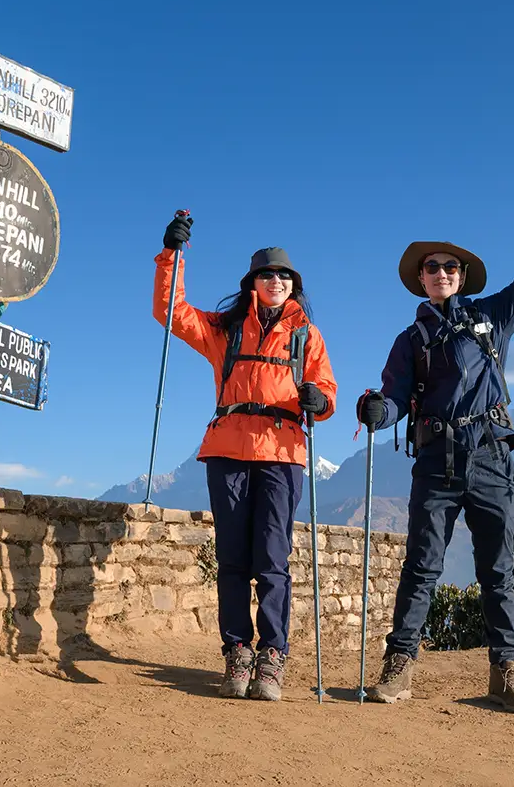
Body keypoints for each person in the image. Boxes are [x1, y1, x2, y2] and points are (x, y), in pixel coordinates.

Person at [355, 199, 514, 713]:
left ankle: (504, 674)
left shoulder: (493, 316)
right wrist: (374, 412)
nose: (442, 273)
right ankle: (399, 668)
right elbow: (392, 402)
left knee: (498, 569)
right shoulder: (410, 342)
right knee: (423, 567)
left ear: (463, 276)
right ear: (421, 279)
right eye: (432, 267)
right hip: (436, 462)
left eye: (451, 267)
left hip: (492, 457)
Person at [153, 212, 337, 701]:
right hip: (229, 450)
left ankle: (272, 658)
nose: (276, 281)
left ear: (293, 285)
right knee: (233, 560)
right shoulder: (225, 328)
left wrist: (319, 399)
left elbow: (325, 386)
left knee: (273, 561)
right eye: (267, 274)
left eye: (284, 276)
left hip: (282, 453)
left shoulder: (306, 336)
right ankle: (237, 652)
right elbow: (172, 312)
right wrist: (172, 255)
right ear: (252, 282)